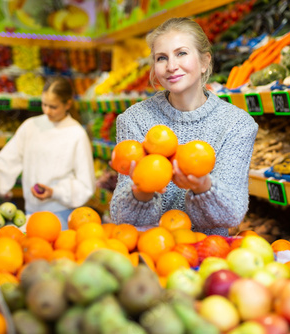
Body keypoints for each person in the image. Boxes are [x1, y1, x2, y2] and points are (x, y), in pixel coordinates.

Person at [110, 17, 258, 236]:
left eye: (181, 53)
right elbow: (123, 218)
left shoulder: (236, 124)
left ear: (205, 61)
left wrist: (203, 186)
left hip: (208, 255)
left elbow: (232, 214)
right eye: (162, 58)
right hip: (150, 252)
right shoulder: (133, 120)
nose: (171, 66)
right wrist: (141, 190)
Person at [0, 76, 95, 228]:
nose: (47, 111)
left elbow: (86, 184)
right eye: (44, 104)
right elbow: (6, 161)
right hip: (30, 214)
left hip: (63, 216)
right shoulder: (31, 126)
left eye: (53, 107)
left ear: (68, 104)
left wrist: (55, 192)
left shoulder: (76, 134)